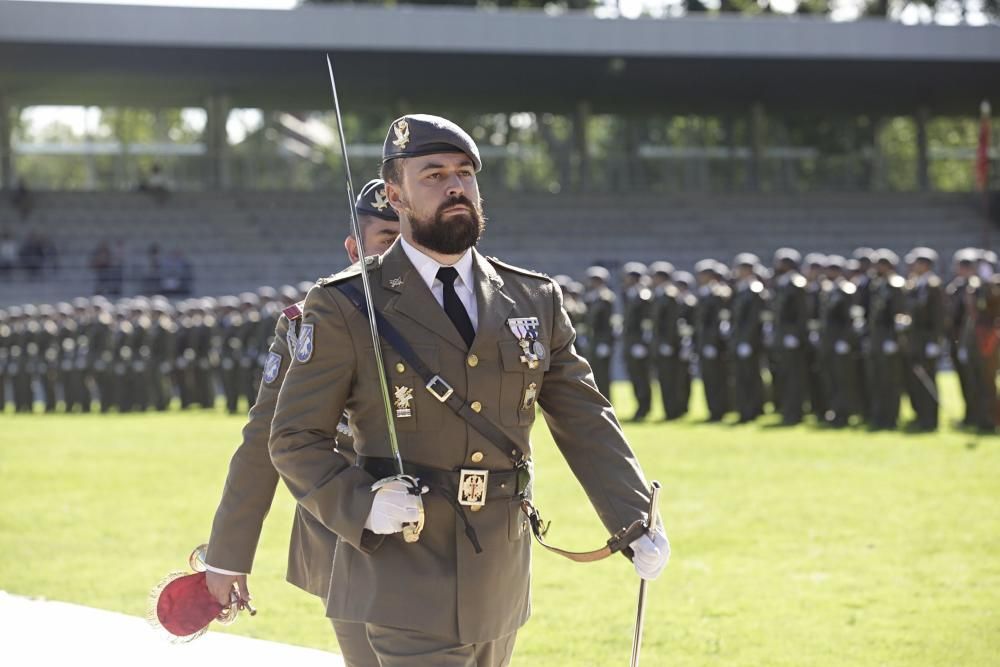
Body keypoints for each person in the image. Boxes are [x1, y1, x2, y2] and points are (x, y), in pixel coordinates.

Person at [268, 114, 669, 667]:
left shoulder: (533, 298)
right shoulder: (346, 304)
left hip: (499, 574)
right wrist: (359, 504)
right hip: (402, 568)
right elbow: (293, 437)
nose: (454, 185)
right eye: (432, 174)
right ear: (396, 193)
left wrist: (634, 518)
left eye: (464, 173)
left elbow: (585, 418)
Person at [203, 179, 400, 667]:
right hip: (349, 533)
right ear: (354, 247)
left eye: (410, 239)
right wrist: (228, 555)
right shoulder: (311, 321)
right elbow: (265, 440)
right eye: (386, 241)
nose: (400, 254)